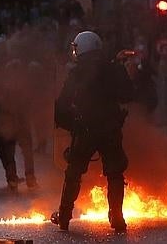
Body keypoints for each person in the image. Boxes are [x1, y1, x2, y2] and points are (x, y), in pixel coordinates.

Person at [52, 31, 133, 232]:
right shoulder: (114, 69)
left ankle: (64, 216)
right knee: (115, 173)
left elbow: (62, 104)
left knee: (73, 173)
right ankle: (117, 217)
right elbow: (128, 94)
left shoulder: (76, 72)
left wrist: (72, 125)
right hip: (110, 130)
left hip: (85, 129)